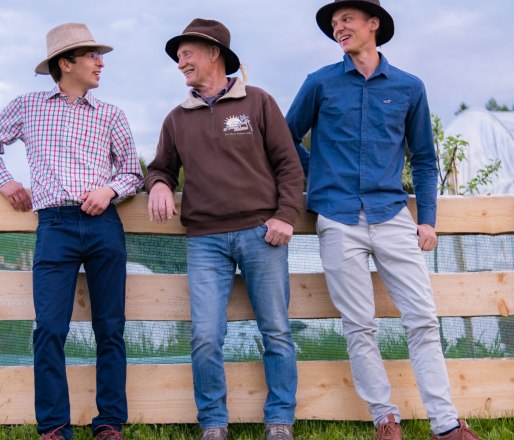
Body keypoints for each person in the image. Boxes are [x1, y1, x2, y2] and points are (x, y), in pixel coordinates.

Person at [284, 2, 481, 440]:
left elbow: (425, 159)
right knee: (358, 325)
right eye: (335, 25)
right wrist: (318, 173)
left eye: (347, 20)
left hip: (393, 216)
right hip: (336, 219)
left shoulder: (410, 87)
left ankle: (445, 424)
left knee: (423, 318)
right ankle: (385, 420)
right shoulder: (320, 83)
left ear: (373, 25)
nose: (339, 28)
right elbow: (285, 135)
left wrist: (426, 220)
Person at [0, 23, 143, 440]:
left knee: (110, 328)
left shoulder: (111, 115)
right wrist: (7, 183)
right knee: (49, 328)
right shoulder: (28, 106)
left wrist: (110, 189)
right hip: (54, 226)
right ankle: (53, 427)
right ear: (65, 64)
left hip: (103, 225)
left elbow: (132, 172)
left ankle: (109, 423)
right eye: (91, 56)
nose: (100, 63)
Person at [145, 18, 303, 440]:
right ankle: (213, 423)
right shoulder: (177, 118)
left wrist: (286, 215)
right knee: (205, 336)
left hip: (262, 234)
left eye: (187, 52)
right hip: (204, 242)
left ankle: (280, 420)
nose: (181, 61)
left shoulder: (259, 102)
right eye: (178, 55)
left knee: (276, 330)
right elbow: (161, 166)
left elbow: (290, 166)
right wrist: (159, 184)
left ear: (214, 52)